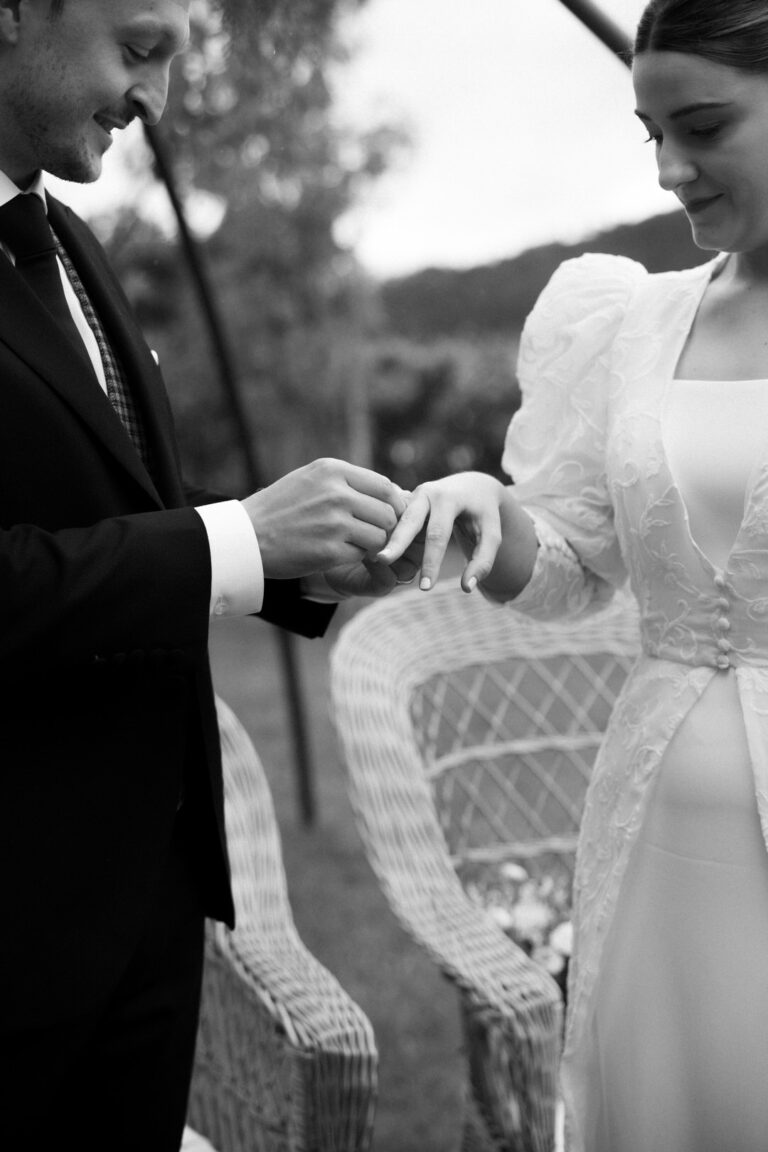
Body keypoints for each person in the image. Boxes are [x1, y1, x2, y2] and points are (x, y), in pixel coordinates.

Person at [0, 1, 415, 1148]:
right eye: (138, 50)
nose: (158, 100)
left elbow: (102, 510)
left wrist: (309, 563)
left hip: (147, 908)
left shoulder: (61, 236)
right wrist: (240, 537)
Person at [381, 1, 768, 1148]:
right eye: (651, 132)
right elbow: (575, 567)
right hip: (659, 846)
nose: (670, 170)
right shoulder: (632, 324)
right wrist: (488, 517)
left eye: (702, 125)